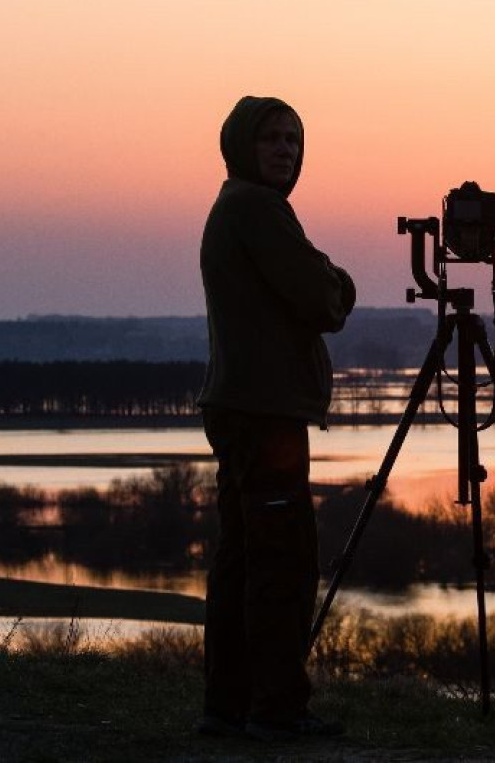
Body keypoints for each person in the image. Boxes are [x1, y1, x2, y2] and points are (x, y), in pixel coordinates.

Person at [196, 95, 355, 742]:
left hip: (239, 406)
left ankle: (228, 707)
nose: (286, 150)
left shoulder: (232, 206)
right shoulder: (258, 209)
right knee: (281, 562)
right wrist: (338, 280)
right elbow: (323, 297)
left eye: (294, 139)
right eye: (272, 139)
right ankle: (276, 709)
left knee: (241, 560)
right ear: (242, 145)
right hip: (265, 415)